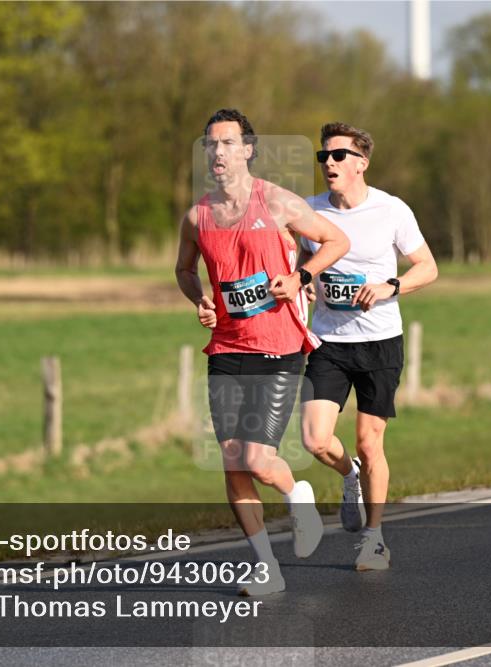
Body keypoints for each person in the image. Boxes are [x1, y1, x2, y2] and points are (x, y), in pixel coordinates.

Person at [175, 109, 350, 595]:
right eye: (211, 144)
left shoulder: (275, 201)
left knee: (256, 458)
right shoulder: (197, 217)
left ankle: (298, 494)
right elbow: (184, 270)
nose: (218, 152)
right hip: (226, 347)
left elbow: (336, 240)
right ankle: (266, 568)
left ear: (248, 150)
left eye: (228, 143)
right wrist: (200, 299)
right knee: (232, 460)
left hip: (278, 344)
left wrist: (299, 277)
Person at [298, 122, 438, 571]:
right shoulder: (309, 210)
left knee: (368, 441)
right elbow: (302, 258)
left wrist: (389, 286)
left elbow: (428, 267)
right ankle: (349, 475)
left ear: (362, 163)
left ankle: (374, 539)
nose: (329, 163)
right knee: (315, 439)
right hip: (329, 341)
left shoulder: (391, 209)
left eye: (338, 155)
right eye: (324, 156)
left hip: (380, 342)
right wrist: (305, 280)